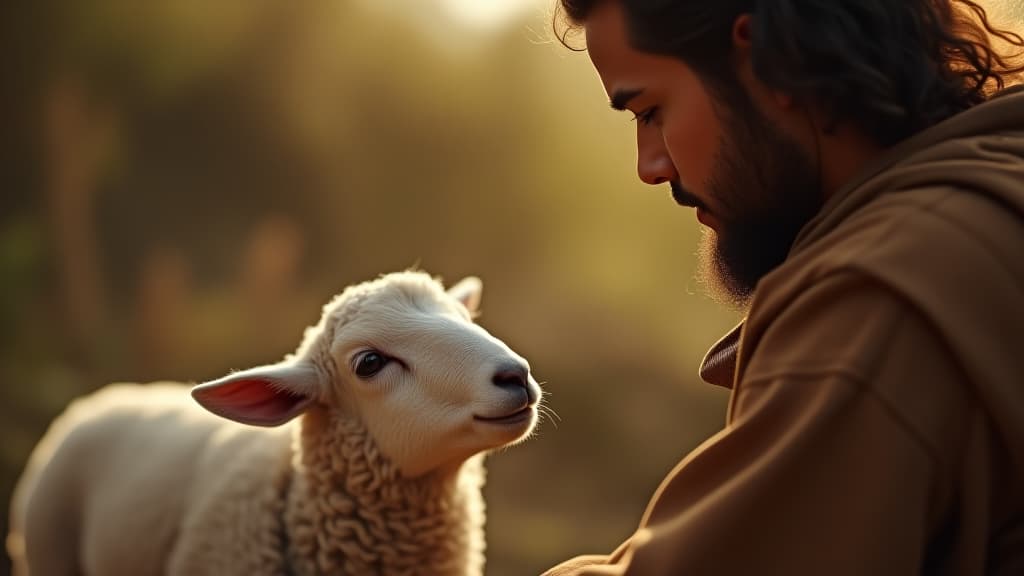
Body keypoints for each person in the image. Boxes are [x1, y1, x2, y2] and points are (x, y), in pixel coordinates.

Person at [543, 1, 1024, 574]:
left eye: (650, 111)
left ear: (770, 62)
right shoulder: (995, 185)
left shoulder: (876, 296)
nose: (651, 166)